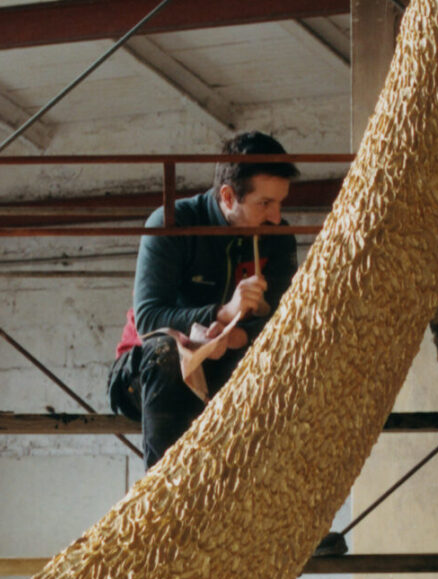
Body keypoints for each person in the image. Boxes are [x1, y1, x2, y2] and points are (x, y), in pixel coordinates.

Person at [107, 131, 298, 468]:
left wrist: (241, 336)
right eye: (265, 203)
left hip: (226, 364)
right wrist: (222, 313)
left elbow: (286, 320)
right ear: (228, 196)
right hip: (149, 373)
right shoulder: (172, 223)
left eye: (281, 203)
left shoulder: (278, 236)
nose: (275, 216)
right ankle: (165, 491)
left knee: (289, 360)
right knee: (166, 353)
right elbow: (149, 318)